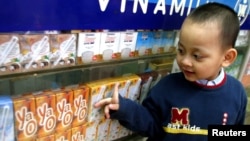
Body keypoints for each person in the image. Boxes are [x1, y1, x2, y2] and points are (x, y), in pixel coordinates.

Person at [94, 2, 248, 141]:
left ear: (227, 57)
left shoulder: (237, 93)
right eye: (181, 50)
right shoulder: (167, 87)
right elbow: (151, 125)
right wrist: (124, 109)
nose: (185, 61)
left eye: (197, 56)